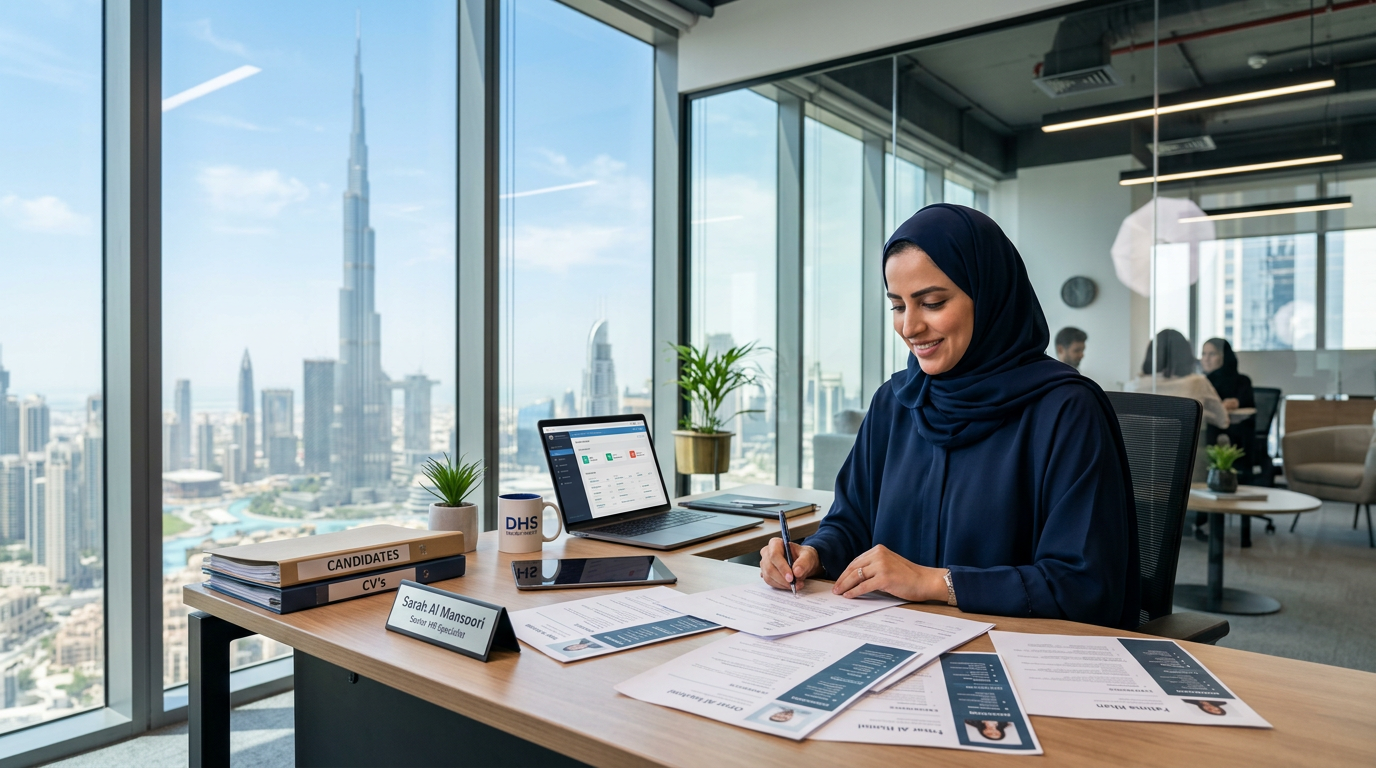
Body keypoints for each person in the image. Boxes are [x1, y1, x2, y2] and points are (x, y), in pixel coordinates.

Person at [758, 203, 1140, 630]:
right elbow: (852, 523)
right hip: (890, 644)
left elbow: (1083, 584)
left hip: (1014, 655)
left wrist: (934, 582)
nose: (910, 327)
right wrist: (814, 553)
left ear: (988, 294)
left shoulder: (1066, 411)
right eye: (898, 306)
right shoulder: (896, 402)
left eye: (933, 302)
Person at [1123, 329, 1230, 431]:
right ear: (1186, 355)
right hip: (1182, 449)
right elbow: (1223, 420)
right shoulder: (1197, 382)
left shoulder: (1132, 386)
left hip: (1137, 449)